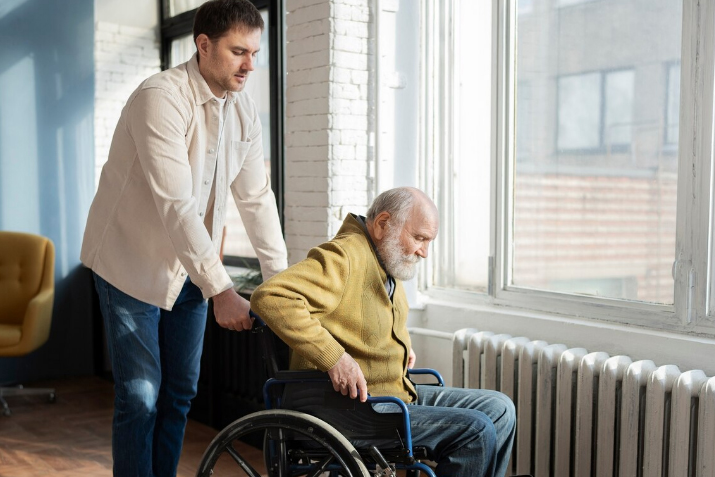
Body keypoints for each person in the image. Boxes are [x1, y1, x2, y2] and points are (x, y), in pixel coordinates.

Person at [80, 1, 287, 474]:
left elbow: (256, 198)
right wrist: (222, 289)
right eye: (239, 51)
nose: (250, 64)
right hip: (131, 264)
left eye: (255, 52)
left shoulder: (243, 110)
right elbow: (177, 207)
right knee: (141, 395)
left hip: (193, 269)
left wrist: (282, 283)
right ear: (203, 45)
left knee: (178, 394)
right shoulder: (161, 97)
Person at [251, 187, 516, 476]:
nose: (424, 252)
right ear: (382, 224)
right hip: (354, 408)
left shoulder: (383, 260)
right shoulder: (345, 255)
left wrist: (399, 348)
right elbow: (271, 297)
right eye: (419, 238)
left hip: (393, 392)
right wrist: (335, 358)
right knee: (475, 430)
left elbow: (362, 319)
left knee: (500, 409)